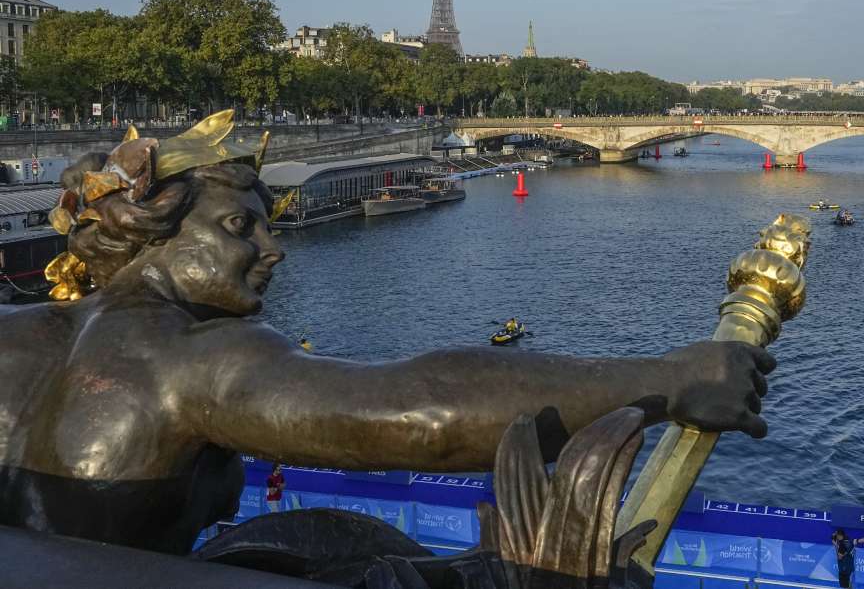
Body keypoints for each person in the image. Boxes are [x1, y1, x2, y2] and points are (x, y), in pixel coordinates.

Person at [0, 114, 776, 555]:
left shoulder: (23, 335)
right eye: (241, 227)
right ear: (155, 236)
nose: (272, 251)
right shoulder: (186, 356)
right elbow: (422, 412)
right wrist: (672, 381)